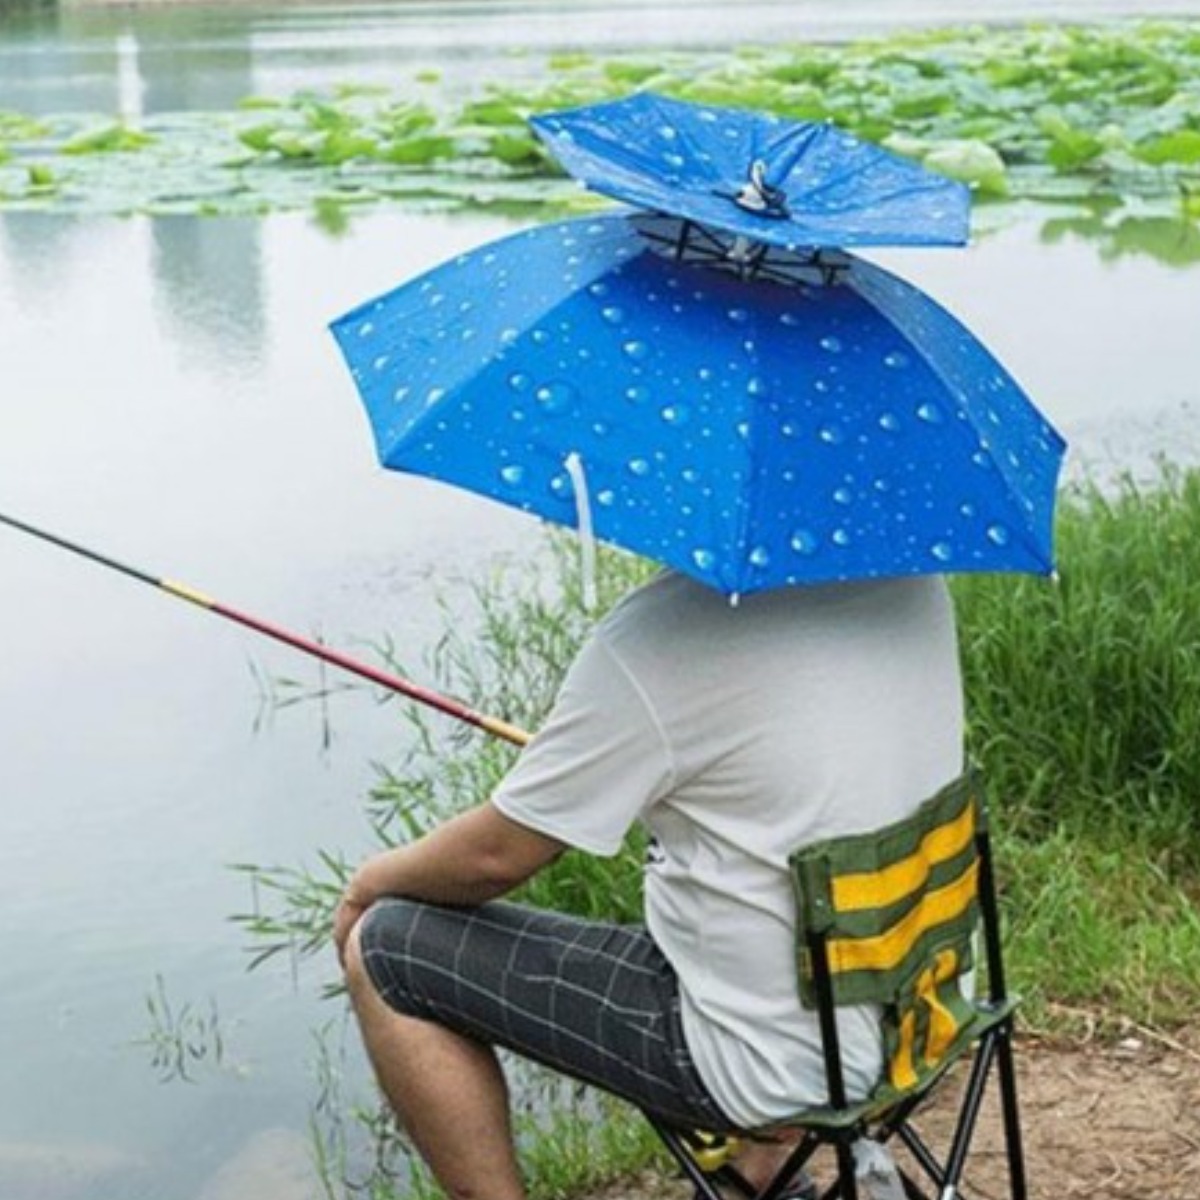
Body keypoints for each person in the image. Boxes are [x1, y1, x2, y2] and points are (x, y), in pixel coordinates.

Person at [335, 568, 964, 1200]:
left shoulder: (661, 634)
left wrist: (366, 884)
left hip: (766, 1066)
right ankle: (763, 1173)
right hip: (925, 1012)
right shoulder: (913, 584)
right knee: (739, 927)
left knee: (387, 946)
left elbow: (496, 856)